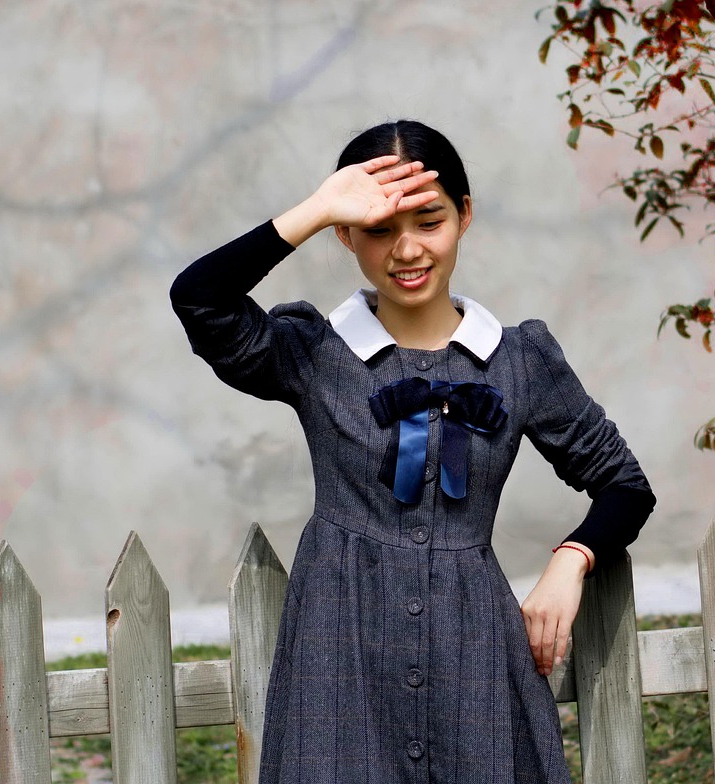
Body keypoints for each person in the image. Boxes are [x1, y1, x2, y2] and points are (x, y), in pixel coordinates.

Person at [169, 119, 657, 783]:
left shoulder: (520, 361)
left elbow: (625, 485)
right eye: (377, 230)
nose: (406, 250)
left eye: (429, 222)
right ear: (346, 235)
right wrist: (315, 209)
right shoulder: (313, 352)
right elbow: (200, 299)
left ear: (464, 215)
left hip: (476, 655)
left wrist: (572, 561)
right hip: (338, 657)